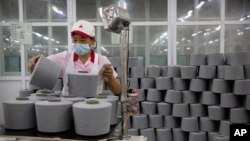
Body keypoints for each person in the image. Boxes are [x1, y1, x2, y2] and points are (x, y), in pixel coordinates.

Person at [28, 20, 121, 96]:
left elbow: (117, 90)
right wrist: (36, 61)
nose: (78, 43)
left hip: (93, 107)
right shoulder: (64, 57)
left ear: (92, 41)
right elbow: (40, 66)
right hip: (69, 107)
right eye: (75, 40)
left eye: (83, 40)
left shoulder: (102, 60)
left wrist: (111, 78)